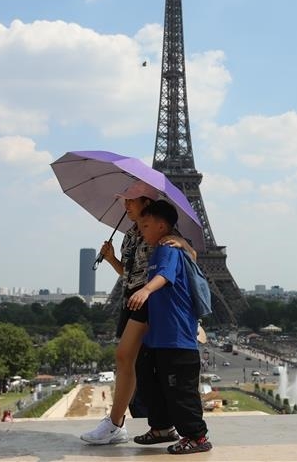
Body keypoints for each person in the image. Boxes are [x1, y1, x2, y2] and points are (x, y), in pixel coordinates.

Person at [80, 183, 193, 445]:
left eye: (130, 201)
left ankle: (116, 423)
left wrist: (184, 245)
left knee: (125, 357)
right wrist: (111, 258)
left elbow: (186, 259)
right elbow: (129, 274)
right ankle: (152, 425)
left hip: (149, 299)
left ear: (146, 202)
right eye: (124, 201)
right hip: (132, 298)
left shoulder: (161, 231)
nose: (125, 205)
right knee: (138, 365)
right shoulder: (131, 233)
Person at [131, 200, 212, 454]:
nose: (141, 229)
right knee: (149, 379)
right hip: (159, 337)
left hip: (176, 337)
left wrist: (145, 290)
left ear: (162, 226)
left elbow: (164, 276)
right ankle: (162, 427)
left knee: (180, 391)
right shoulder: (160, 251)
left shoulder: (168, 249)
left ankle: (196, 437)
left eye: (146, 225)